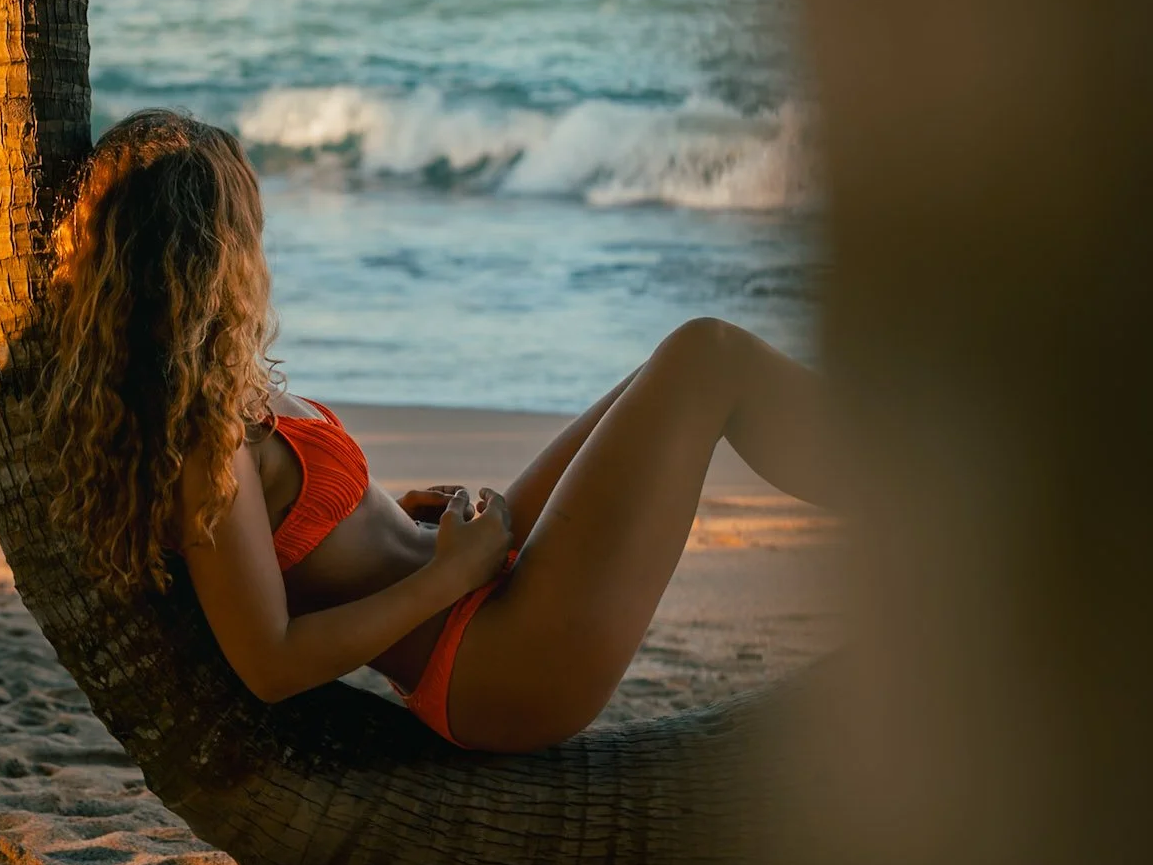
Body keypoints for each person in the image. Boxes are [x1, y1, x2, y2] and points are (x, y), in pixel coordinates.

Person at [43, 109, 836, 752]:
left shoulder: (217, 393)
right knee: (706, 356)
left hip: (475, 590)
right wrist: (444, 580)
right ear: (216, 256)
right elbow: (271, 663)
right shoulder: (202, 447)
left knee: (671, 366)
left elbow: (310, 542)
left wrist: (396, 512)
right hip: (492, 662)